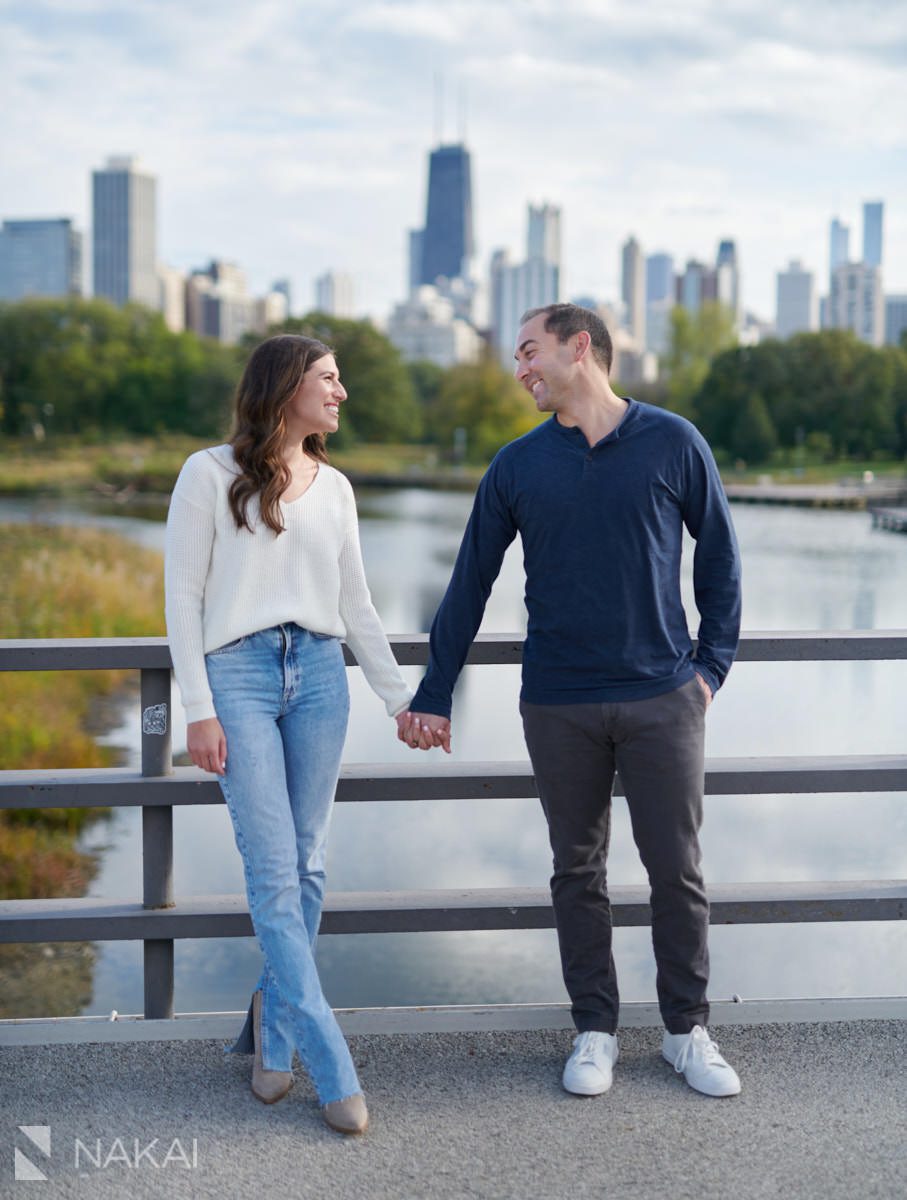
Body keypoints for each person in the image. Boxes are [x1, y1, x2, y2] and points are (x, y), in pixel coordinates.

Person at [399, 303, 743, 1099]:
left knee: (676, 871)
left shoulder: (672, 441)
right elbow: (467, 586)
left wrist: (708, 672)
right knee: (577, 871)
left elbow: (720, 560)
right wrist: (433, 692)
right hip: (556, 702)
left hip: (663, 697)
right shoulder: (517, 465)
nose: (518, 368)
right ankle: (594, 1031)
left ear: (577, 347)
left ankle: (687, 1033)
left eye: (527, 351)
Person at [165, 334, 412, 1135]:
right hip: (235, 676)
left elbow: (358, 606)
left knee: (307, 865)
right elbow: (182, 600)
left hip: (318, 676)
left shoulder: (335, 488)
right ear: (286, 387)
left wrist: (398, 699)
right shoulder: (207, 474)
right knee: (272, 871)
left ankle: (275, 1039)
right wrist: (195, 707)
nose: (342, 394)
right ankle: (332, 1062)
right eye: (330, 380)